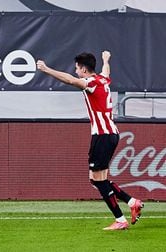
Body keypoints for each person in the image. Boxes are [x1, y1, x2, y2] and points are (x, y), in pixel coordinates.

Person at [36, 51, 144, 230]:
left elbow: (71, 80)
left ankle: (120, 220)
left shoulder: (91, 83)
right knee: (96, 179)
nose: (75, 70)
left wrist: (46, 69)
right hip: (110, 134)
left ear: (84, 69)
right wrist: (106, 60)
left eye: (77, 68)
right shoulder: (102, 79)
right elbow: (106, 71)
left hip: (102, 136)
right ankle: (132, 202)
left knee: (99, 180)